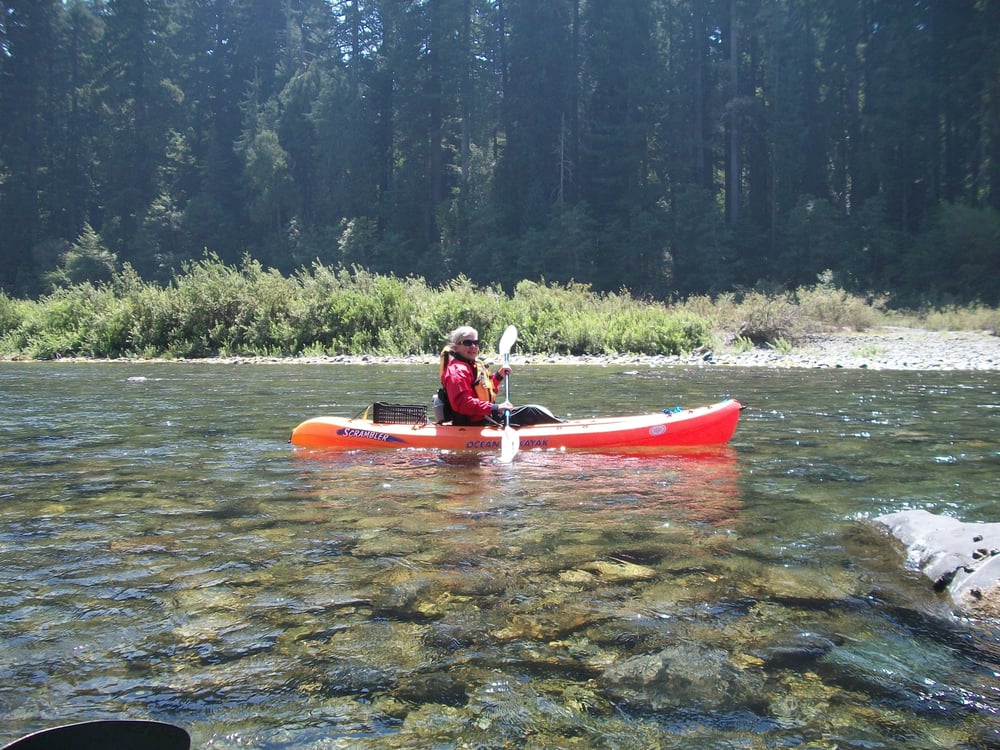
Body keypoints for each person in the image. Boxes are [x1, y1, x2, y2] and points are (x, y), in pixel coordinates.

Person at [437, 326, 562, 427]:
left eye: (476, 343)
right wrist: (496, 408)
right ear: (456, 347)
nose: (473, 346)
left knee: (534, 411)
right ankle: (562, 428)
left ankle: (562, 424)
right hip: (474, 424)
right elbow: (463, 404)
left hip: (486, 416)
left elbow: (485, 389)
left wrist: (499, 376)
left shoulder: (472, 365)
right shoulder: (457, 371)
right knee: (531, 412)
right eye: (468, 343)